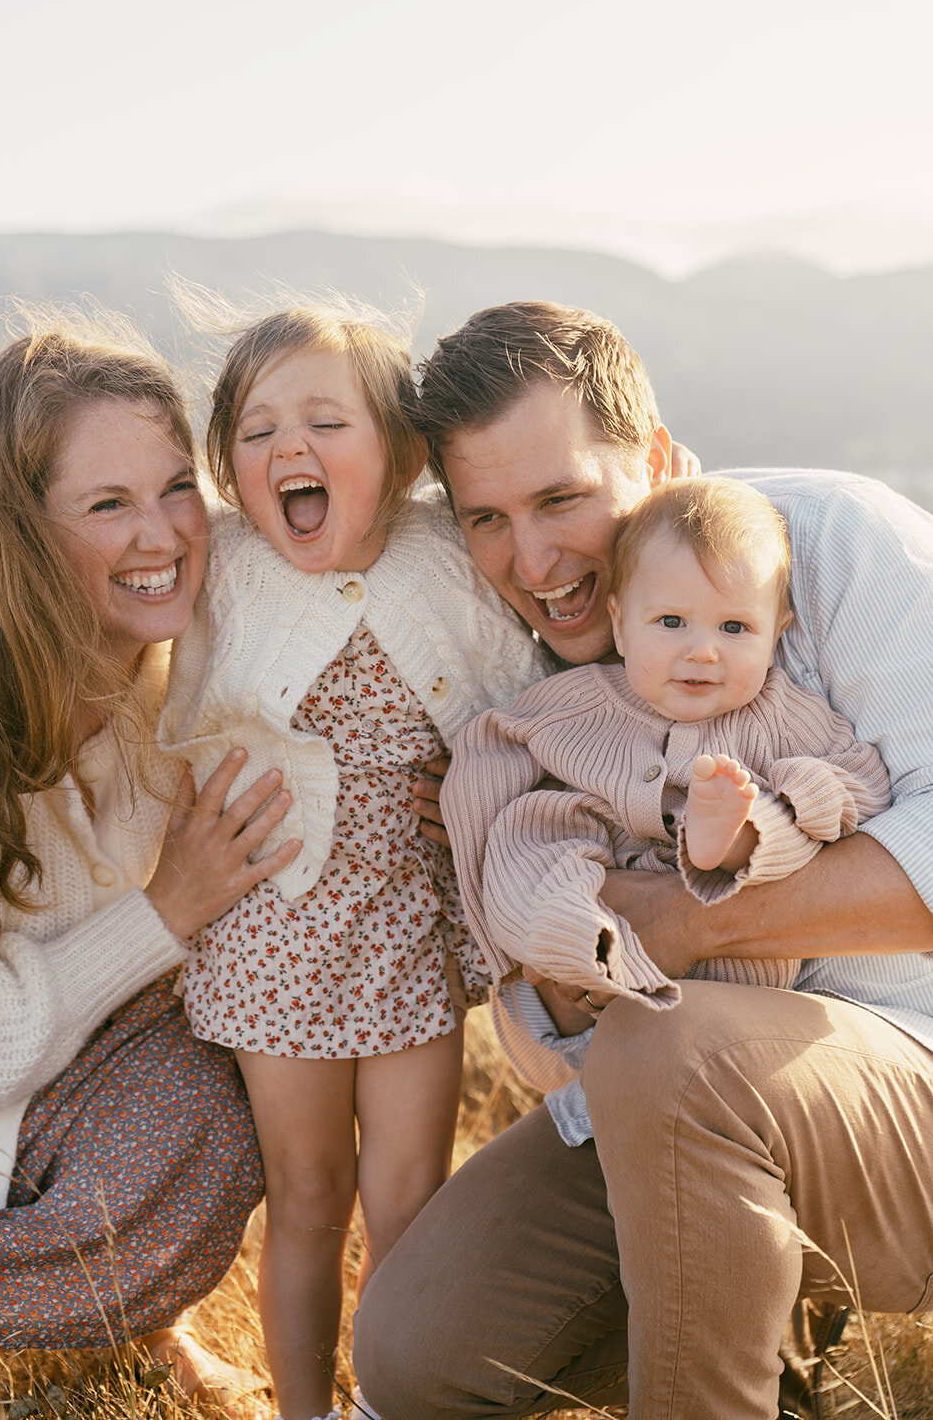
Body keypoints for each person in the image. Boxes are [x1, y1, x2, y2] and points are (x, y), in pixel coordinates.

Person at [354, 300, 933, 1420]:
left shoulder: (842, 546)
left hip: (912, 1074)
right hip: (675, 1103)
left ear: (658, 456)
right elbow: (545, 1027)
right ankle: (772, 1352)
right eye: (485, 517)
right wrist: (529, 911)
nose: (532, 560)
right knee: (418, 1352)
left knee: (671, 1054)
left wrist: (675, 916)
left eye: (561, 498)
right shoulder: (526, 675)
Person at [0, 314, 297, 1413]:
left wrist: (468, 794)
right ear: (21, 536)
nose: (161, 534)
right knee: (193, 1119)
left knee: (244, 1055)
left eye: (173, 488)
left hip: (37, 1079)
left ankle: (145, 1326)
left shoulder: (163, 678)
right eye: (107, 504)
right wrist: (163, 911)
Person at [157, 292, 548, 1420]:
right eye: (258, 427)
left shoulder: (448, 554)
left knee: (410, 1193)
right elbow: (141, 687)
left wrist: (482, 787)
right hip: (273, 929)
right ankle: (302, 1410)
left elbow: (522, 701)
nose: (292, 447)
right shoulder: (223, 565)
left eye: (327, 421)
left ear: (403, 450)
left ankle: (388, 1397)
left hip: (407, 933)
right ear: (230, 466)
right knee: (310, 1193)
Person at [445, 476, 890, 1042]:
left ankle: (730, 839)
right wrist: (479, 840)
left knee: (783, 815)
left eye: (734, 627)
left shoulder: (786, 712)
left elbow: (866, 780)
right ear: (621, 623)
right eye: (671, 622)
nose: (701, 650)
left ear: (777, 633)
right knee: (527, 829)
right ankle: (572, 939)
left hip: (737, 994)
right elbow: (491, 744)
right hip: (592, 902)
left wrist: (792, 797)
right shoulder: (579, 702)